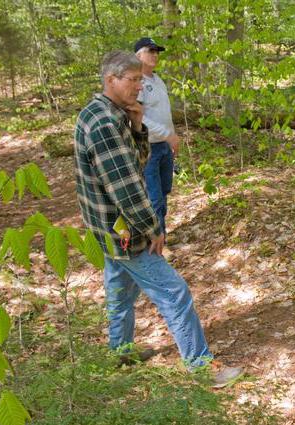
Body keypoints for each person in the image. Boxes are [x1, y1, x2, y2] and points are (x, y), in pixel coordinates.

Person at [73, 51, 241, 386]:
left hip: (104, 229)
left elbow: (135, 162)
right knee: (174, 292)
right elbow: (127, 187)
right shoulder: (105, 123)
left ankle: (120, 352)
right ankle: (202, 368)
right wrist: (152, 228)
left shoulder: (103, 112)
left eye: (140, 79)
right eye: (132, 80)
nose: (139, 86)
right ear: (110, 80)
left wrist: (137, 125)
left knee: (119, 291)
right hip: (122, 231)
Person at [134, 37, 178, 236]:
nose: (155, 55)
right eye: (150, 51)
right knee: (154, 197)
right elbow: (138, 118)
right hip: (148, 148)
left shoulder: (157, 80)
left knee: (164, 190)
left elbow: (164, 113)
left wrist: (172, 136)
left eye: (156, 51)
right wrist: (167, 135)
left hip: (164, 146)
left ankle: (162, 233)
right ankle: (156, 240)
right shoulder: (137, 83)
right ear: (138, 55)